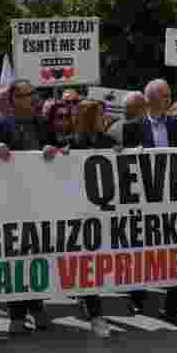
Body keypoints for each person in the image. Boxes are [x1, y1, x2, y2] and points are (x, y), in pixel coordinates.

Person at [121, 79, 177, 329]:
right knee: (141, 251)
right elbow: (121, 161)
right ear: (150, 98)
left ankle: (175, 309)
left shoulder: (176, 125)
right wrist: (133, 154)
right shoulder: (131, 127)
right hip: (143, 201)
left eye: (170, 95)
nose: (169, 100)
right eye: (165, 95)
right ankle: (137, 296)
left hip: (173, 199)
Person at [0, 79, 59, 334]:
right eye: (22, 95)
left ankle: (37, 307)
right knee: (16, 261)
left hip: (40, 201)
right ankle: (17, 314)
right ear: (12, 100)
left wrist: (52, 149)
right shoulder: (1, 124)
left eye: (31, 94)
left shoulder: (43, 123)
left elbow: (57, 149)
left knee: (37, 259)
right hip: (12, 201)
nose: (29, 99)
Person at [69, 99, 118, 337]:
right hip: (77, 215)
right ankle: (95, 313)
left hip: (102, 215)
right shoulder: (71, 143)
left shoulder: (110, 142)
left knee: (93, 266)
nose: (105, 118)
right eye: (100, 114)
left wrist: (123, 153)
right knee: (86, 265)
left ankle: (92, 308)